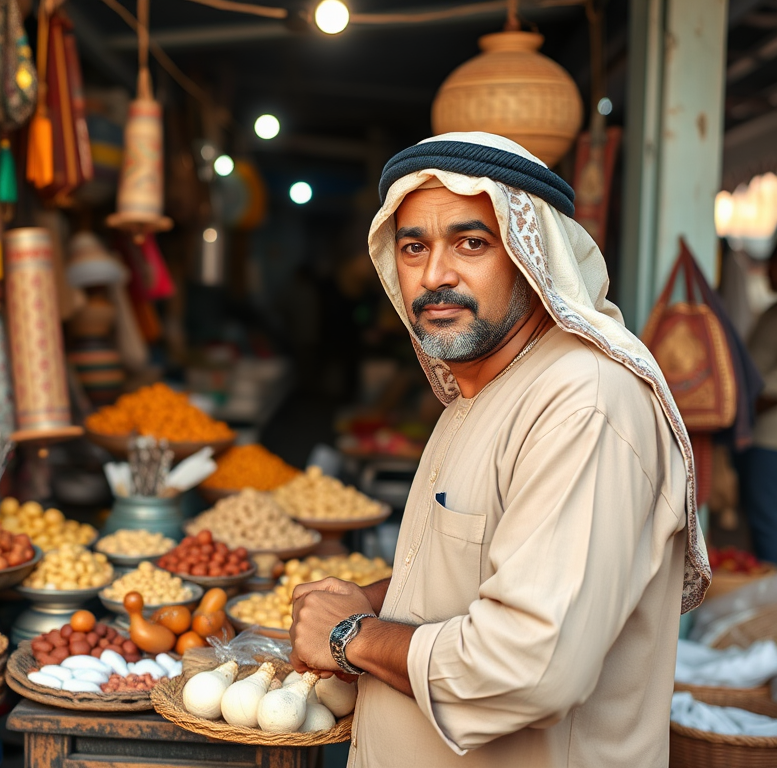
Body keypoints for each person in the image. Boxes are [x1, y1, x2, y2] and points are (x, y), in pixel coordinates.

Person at [288, 133, 710, 767]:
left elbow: (531, 666)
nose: (434, 275)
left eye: (471, 243)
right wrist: (377, 598)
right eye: (414, 248)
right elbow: (484, 574)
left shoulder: (583, 403)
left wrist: (353, 637)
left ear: (528, 254)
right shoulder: (482, 389)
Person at [738, 247, 777, 561]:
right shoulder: (771, 312)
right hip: (762, 437)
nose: (766, 273)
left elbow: (769, 389)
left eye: (772, 266)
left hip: (769, 440)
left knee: (767, 528)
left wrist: (743, 409)